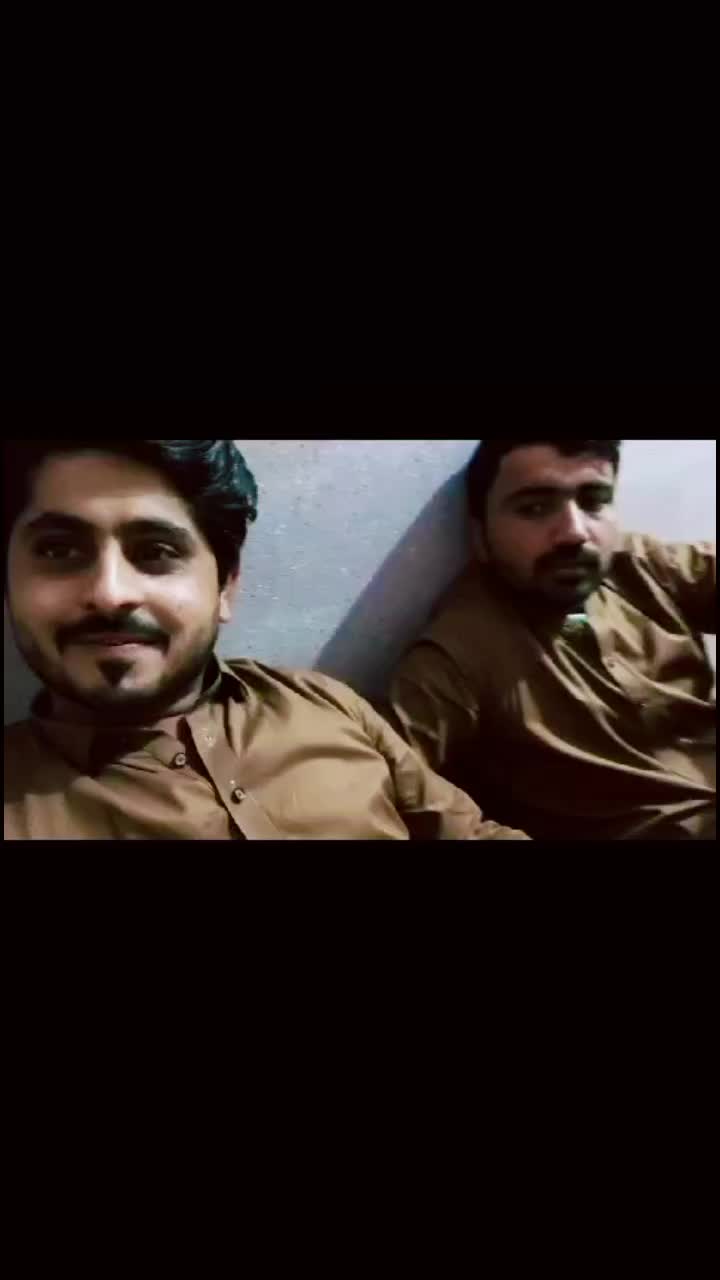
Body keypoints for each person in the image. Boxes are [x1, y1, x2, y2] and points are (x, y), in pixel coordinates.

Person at [3, 438, 528, 841]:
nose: (110, 594)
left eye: (156, 551)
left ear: (225, 586)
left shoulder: (324, 703)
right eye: (58, 551)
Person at [386, 439, 716, 840]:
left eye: (593, 501)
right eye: (535, 509)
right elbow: (383, 787)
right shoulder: (459, 653)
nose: (574, 533)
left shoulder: (638, 565)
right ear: (479, 535)